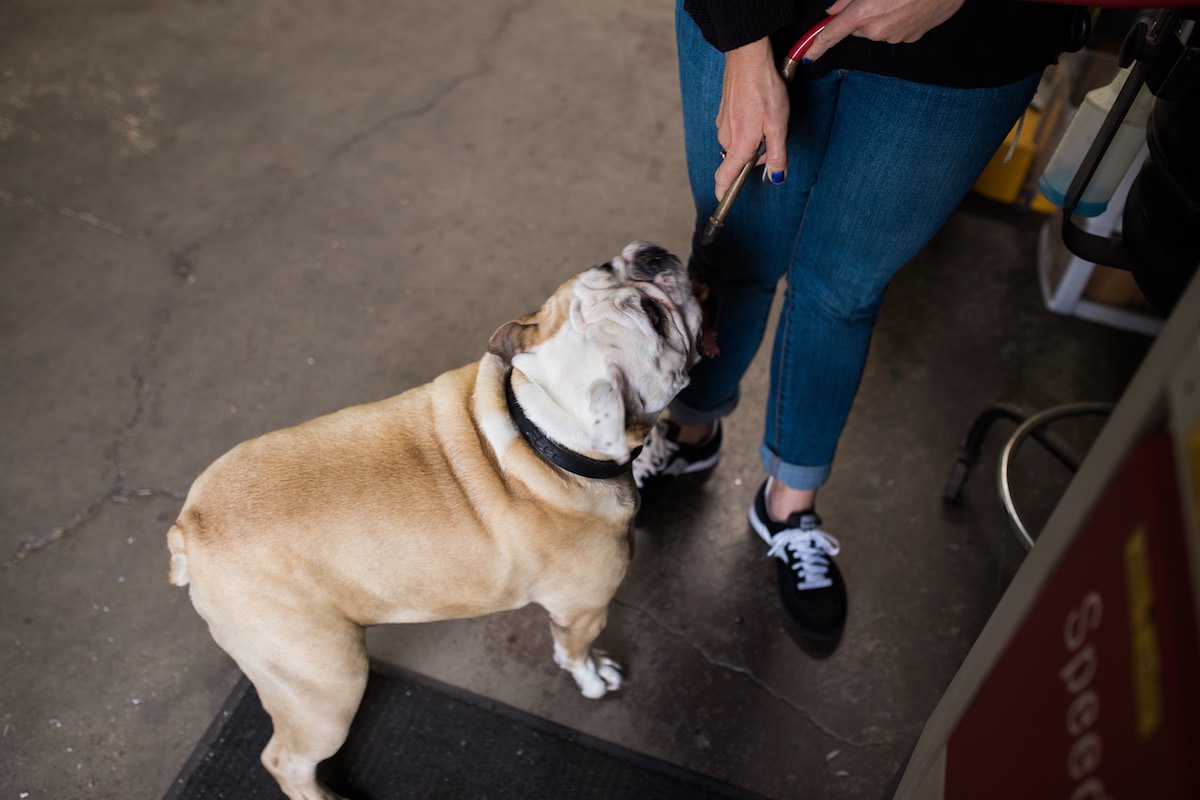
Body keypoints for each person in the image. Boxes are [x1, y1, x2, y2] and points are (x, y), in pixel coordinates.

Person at [634, 0, 1082, 644]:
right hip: (762, 19)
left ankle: (789, 505)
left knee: (843, 291)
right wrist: (741, 41)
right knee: (733, 257)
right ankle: (690, 431)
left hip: (964, 51)